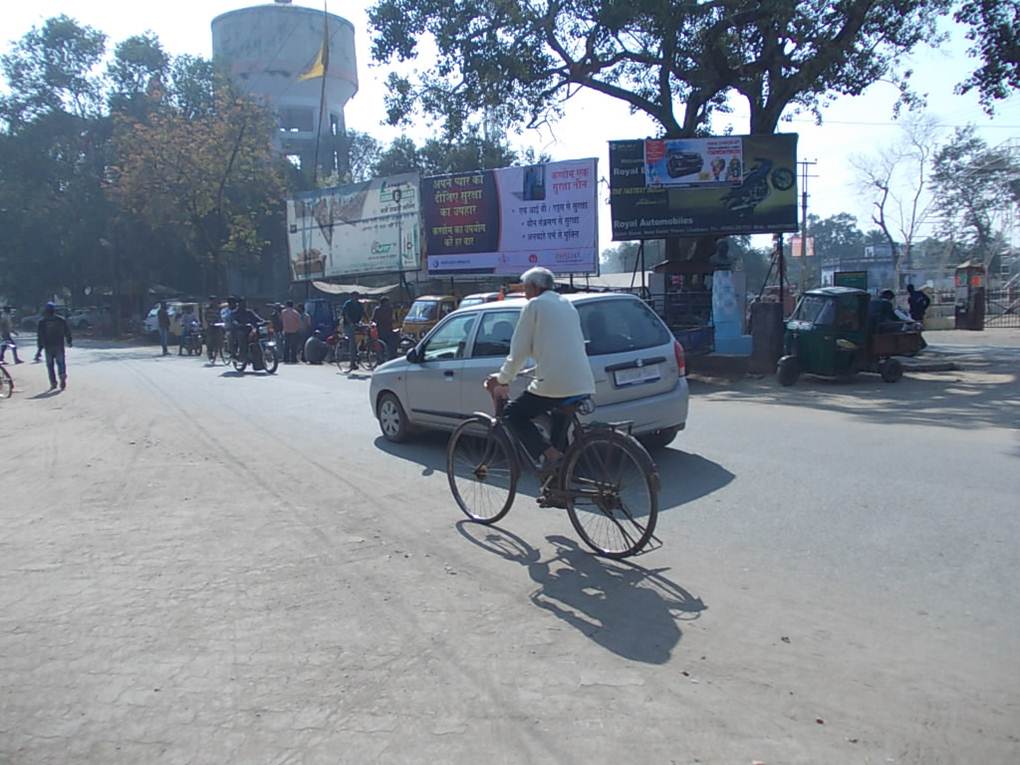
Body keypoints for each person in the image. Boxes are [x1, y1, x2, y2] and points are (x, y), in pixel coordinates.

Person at [484, 267, 595, 482]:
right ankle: (558, 485)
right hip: (582, 381)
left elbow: (519, 351)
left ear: (534, 287)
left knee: (513, 414)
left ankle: (552, 457)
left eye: (526, 289)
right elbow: (560, 348)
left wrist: (502, 378)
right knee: (558, 431)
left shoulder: (535, 305)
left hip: (555, 383)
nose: (525, 294)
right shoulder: (567, 305)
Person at [37, 302, 72, 390]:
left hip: (48, 346)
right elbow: (67, 331)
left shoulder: (42, 322)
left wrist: (39, 349)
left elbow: (40, 336)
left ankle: (53, 383)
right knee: (61, 363)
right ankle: (62, 375)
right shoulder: (61, 320)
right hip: (59, 345)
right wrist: (69, 341)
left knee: (50, 365)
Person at [230, 298, 264, 364]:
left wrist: (263, 321)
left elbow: (257, 318)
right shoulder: (235, 313)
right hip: (239, 330)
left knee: (258, 336)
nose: (244, 305)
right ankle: (242, 356)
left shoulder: (249, 312)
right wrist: (238, 324)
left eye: (245, 303)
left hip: (250, 330)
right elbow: (233, 321)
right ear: (238, 304)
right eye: (242, 303)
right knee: (242, 338)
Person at [341, 292, 365, 371]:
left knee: (363, 335)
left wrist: (367, 321)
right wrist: (350, 323)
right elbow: (346, 314)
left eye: (357, 296)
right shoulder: (348, 304)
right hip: (348, 325)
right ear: (352, 296)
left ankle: (361, 350)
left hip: (357, 324)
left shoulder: (359, 305)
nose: (356, 297)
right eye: (355, 296)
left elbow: (363, 314)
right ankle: (352, 363)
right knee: (352, 342)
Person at [280, 300, 303, 364]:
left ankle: (286, 359)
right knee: (294, 346)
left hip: (286, 331)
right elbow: (299, 323)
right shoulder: (296, 313)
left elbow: (281, 320)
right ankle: (293, 359)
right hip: (294, 331)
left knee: (286, 346)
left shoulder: (283, 312)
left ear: (286, 305)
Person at [373, 296, 395, 362]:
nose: (388, 304)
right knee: (381, 344)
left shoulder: (390, 309)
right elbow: (374, 318)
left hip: (388, 328)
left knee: (389, 344)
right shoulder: (378, 309)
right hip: (381, 329)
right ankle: (380, 359)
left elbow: (391, 318)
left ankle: (388, 358)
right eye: (386, 302)